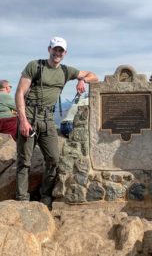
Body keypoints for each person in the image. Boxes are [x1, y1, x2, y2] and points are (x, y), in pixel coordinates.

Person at [15, 37, 98, 207]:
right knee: (25, 161)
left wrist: (82, 80)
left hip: (48, 119)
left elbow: (94, 76)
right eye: (55, 49)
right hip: (30, 116)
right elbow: (19, 93)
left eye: (61, 50)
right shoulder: (35, 66)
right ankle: (22, 200)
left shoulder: (66, 71)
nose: (57, 53)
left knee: (53, 159)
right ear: (49, 49)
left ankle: (45, 196)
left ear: (65, 53)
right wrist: (23, 120)